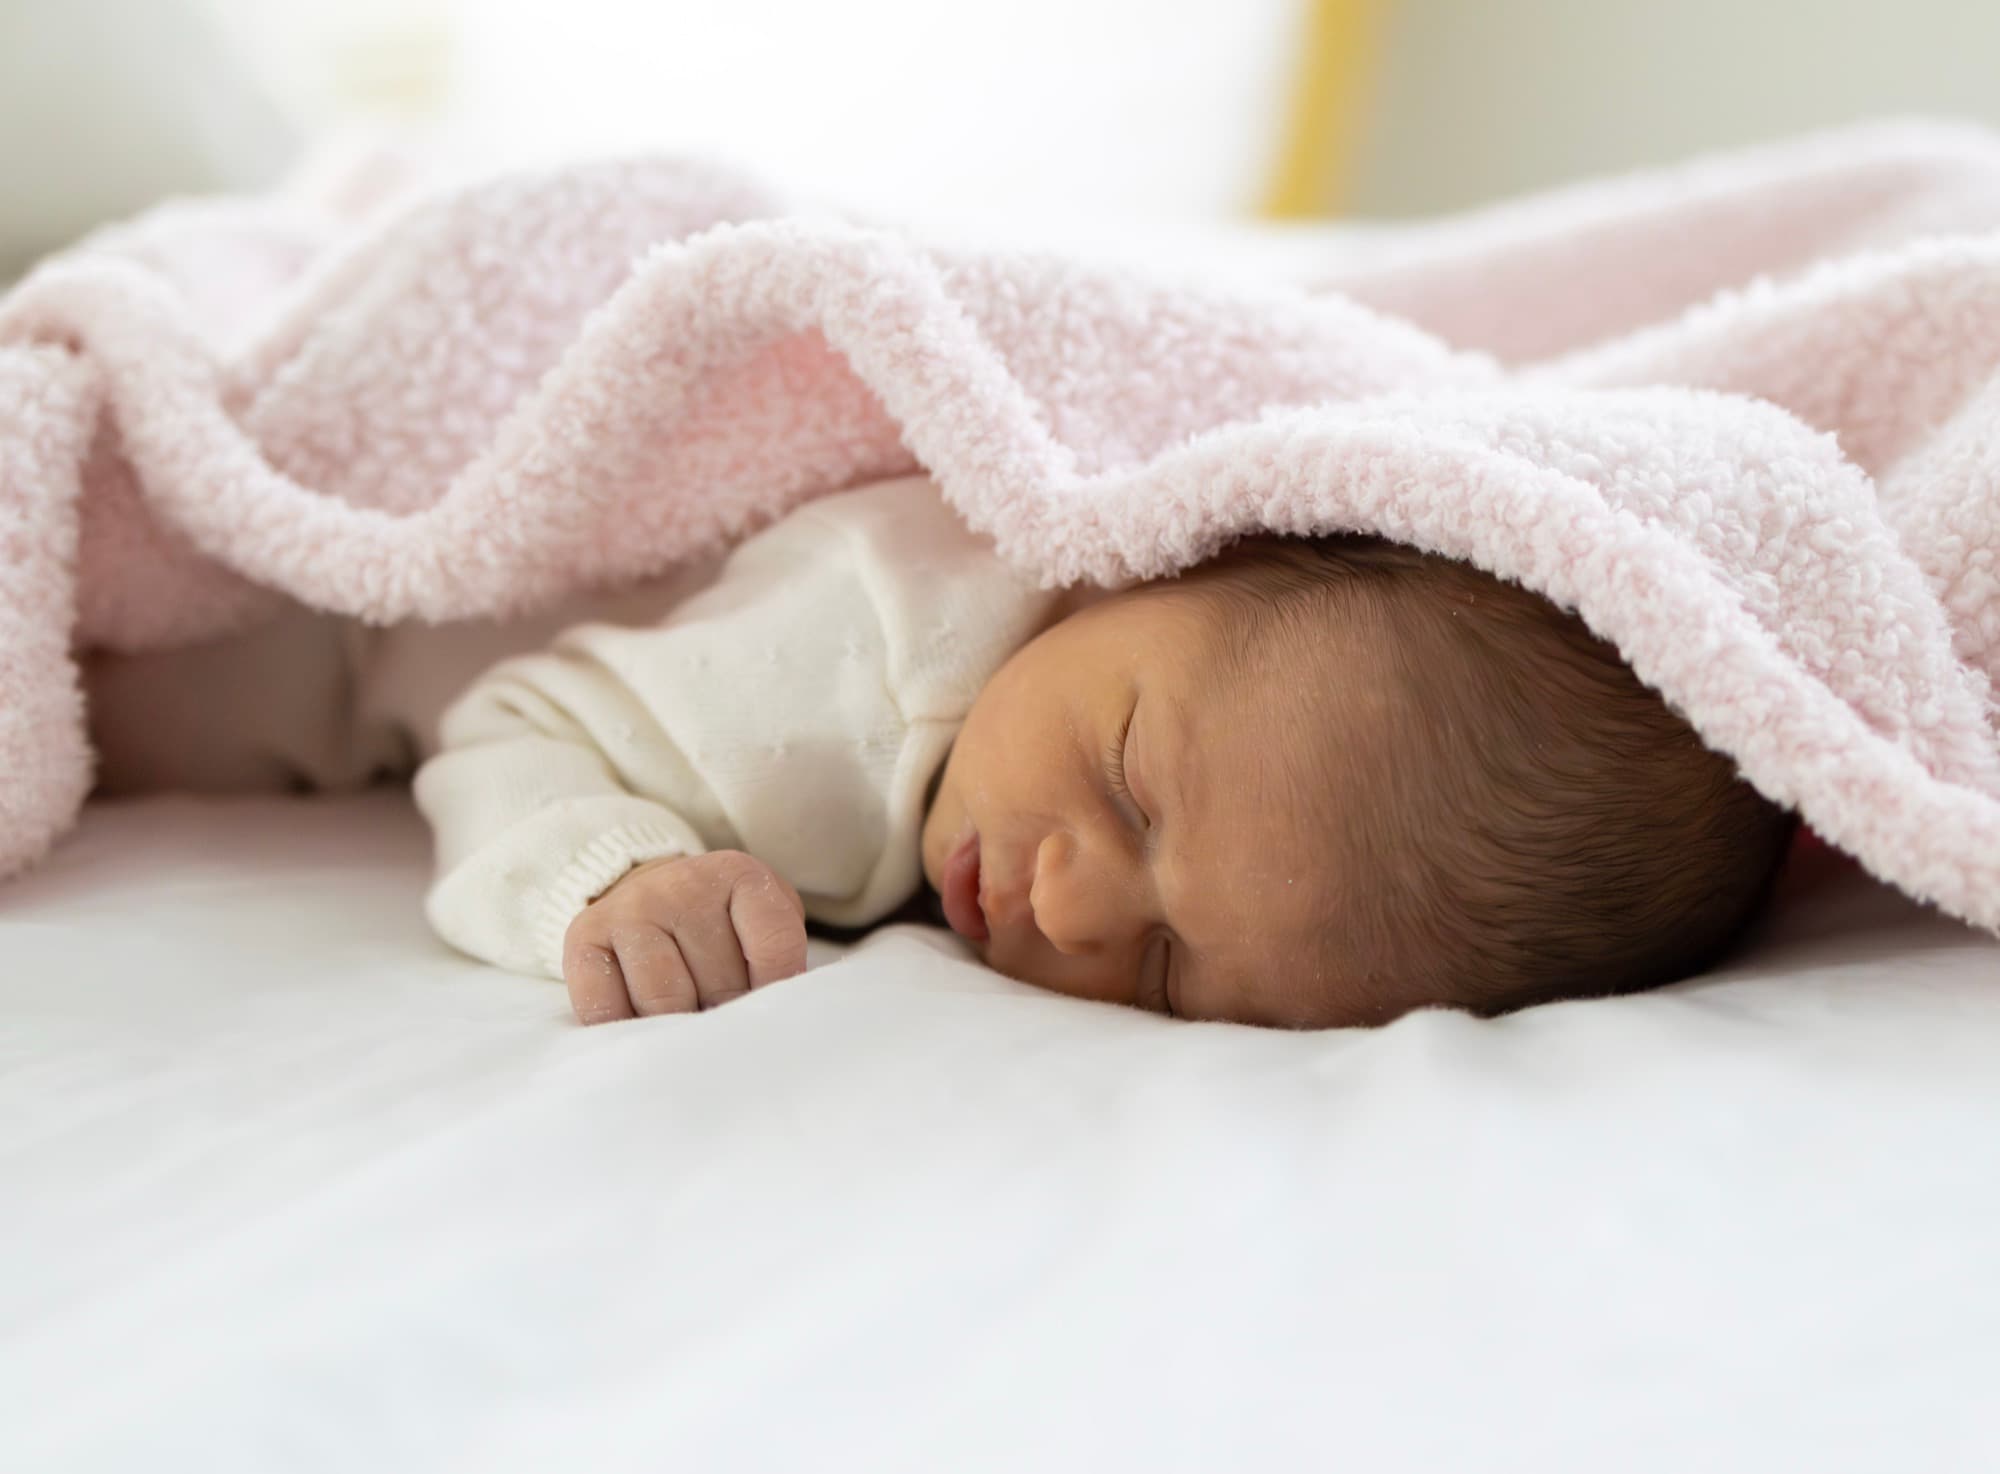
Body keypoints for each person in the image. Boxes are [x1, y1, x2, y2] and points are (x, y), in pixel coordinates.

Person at [86, 472, 1796, 1028]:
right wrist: (610, 871)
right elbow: (510, 724)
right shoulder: (873, 668)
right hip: (265, 598)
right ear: (1182, 551)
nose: (1067, 895)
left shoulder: (1123, 669)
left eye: (1178, 967)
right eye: (1131, 780)